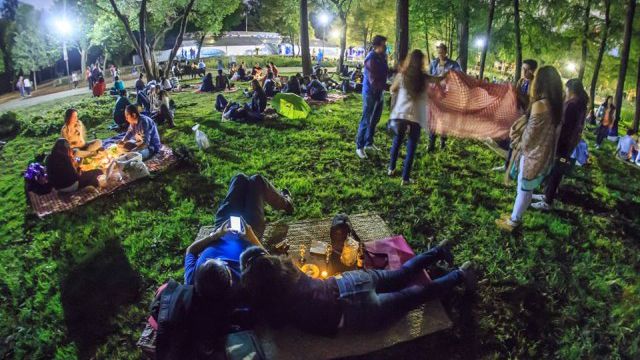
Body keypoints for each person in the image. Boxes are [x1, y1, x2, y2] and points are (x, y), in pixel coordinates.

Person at [240, 239, 475, 337]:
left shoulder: (272, 307)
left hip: (355, 313)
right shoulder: (288, 268)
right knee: (401, 275)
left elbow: (272, 325)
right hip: (349, 282)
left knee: (414, 296)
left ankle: (460, 275)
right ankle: (439, 251)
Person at [496, 66, 564, 231]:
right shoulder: (556, 104)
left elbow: (530, 134)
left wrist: (518, 144)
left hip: (532, 154)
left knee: (523, 189)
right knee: (527, 189)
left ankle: (514, 221)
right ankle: (515, 217)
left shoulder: (540, 105)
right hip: (543, 153)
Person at [531, 78, 588, 211]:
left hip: (562, 143)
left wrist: (555, 140)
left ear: (571, 90)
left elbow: (565, 126)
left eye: (566, 89)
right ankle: (546, 195)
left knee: (556, 170)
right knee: (555, 170)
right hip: (567, 143)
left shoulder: (572, 105)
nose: (565, 91)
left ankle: (547, 201)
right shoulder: (579, 104)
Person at [388, 50, 441, 186]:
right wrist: (448, 74)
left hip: (401, 113)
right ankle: (405, 178)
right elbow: (438, 79)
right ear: (422, 62)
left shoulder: (402, 75)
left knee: (397, 141)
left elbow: (392, 90)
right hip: (417, 116)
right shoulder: (425, 77)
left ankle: (391, 168)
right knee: (411, 147)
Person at [493, 59, 538, 172]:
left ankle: (515, 168)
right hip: (517, 115)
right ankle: (509, 166)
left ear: (532, 71)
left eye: (525, 69)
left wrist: (518, 94)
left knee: (520, 143)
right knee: (512, 140)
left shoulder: (535, 85)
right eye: (523, 68)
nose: (523, 71)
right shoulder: (521, 81)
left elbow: (531, 102)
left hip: (527, 118)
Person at [355, 35, 389, 159]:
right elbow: (373, 80)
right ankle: (360, 146)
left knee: (375, 119)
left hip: (379, 92)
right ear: (377, 46)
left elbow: (386, 71)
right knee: (366, 119)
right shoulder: (371, 59)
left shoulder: (382, 57)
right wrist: (389, 87)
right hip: (370, 92)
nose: (385, 46)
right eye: (383, 44)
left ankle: (369, 143)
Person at [426, 43, 461, 152]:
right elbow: (429, 77)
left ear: (446, 52)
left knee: (444, 119)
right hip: (434, 95)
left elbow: (459, 77)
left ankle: (443, 142)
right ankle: (431, 142)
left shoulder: (453, 64)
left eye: (442, 51)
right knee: (432, 118)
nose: (440, 54)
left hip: (446, 95)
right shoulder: (434, 63)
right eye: (439, 52)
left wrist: (449, 76)